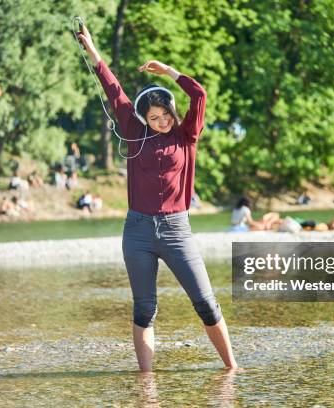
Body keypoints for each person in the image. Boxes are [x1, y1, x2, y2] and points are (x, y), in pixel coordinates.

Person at [77, 22, 237, 372]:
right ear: (144, 118)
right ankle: (146, 382)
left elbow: (200, 95)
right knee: (144, 309)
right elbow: (113, 90)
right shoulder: (134, 133)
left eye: (165, 115)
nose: (161, 121)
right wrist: (93, 52)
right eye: (154, 117)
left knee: (206, 303)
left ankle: (232, 370)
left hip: (178, 230)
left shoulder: (186, 135)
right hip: (137, 233)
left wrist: (168, 71)